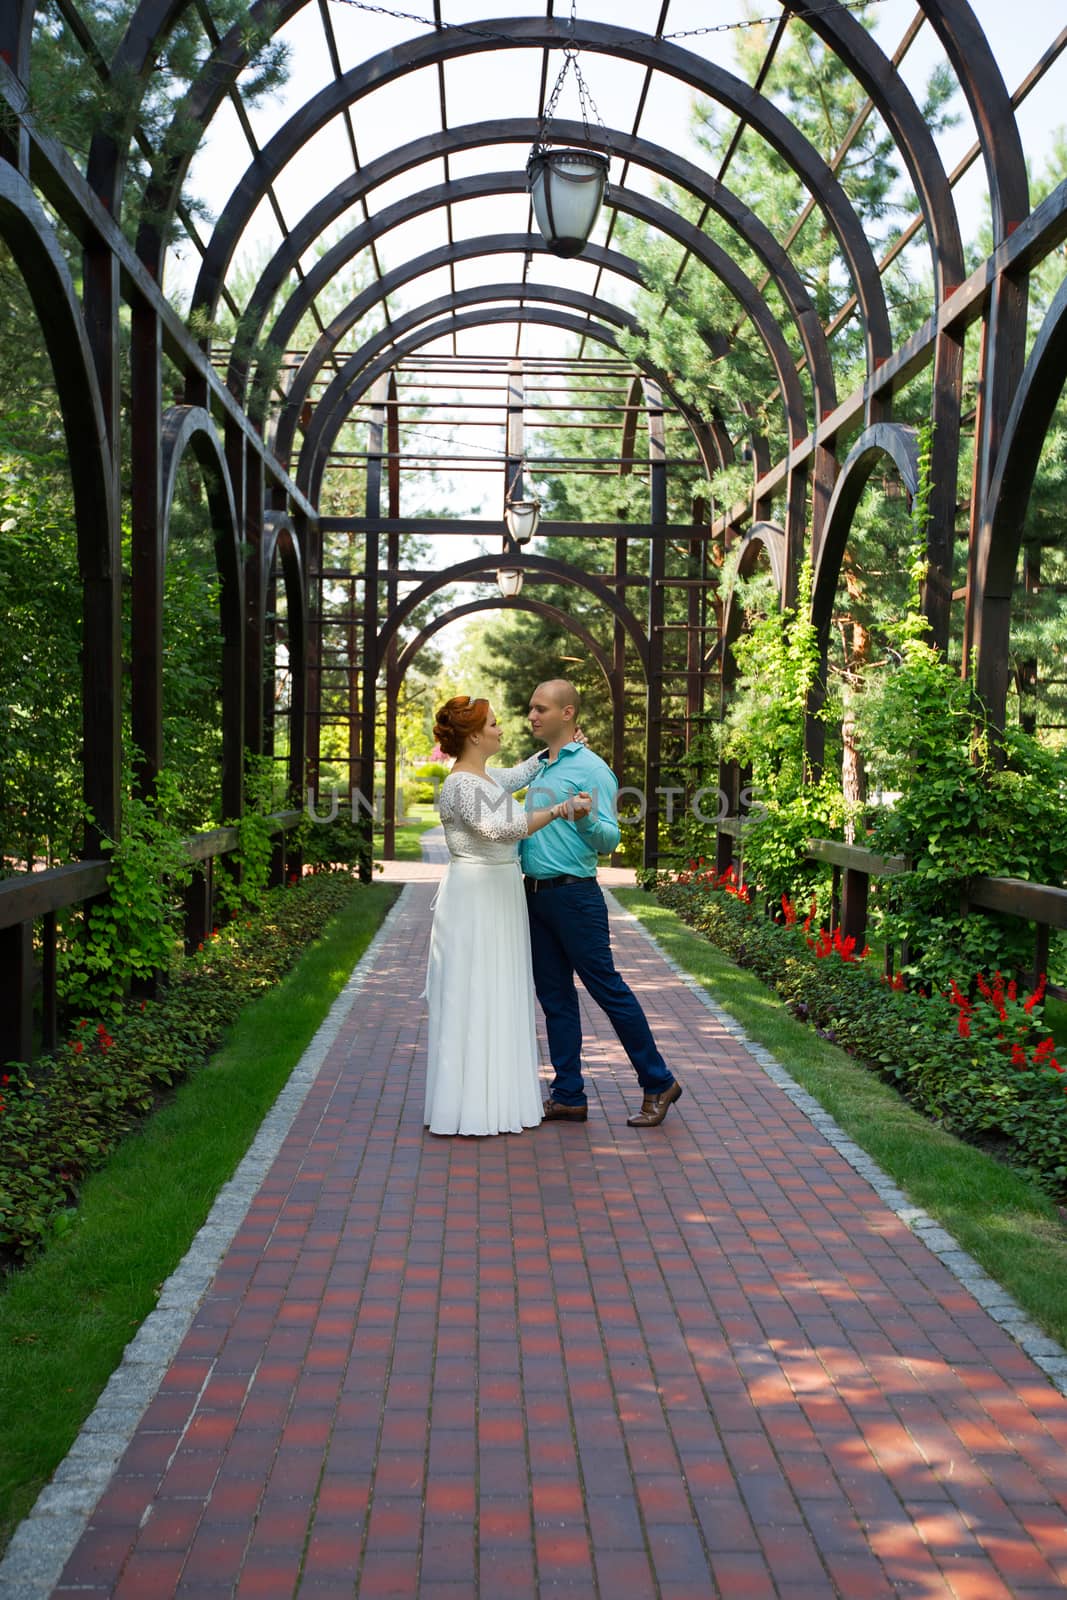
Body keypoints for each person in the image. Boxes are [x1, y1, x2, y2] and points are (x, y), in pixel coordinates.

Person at [424, 694, 592, 1137]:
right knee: (474, 993)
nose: (502, 729)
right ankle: (470, 1106)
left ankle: (496, 1098)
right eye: (495, 724)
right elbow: (503, 828)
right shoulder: (461, 784)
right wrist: (559, 810)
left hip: (500, 893)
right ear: (476, 735)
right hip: (476, 897)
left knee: (500, 991)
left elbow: (518, 774)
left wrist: (554, 750)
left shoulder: (483, 776)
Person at [521, 679, 683, 1128]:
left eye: (541, 708)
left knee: (607, 990)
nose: (531, 716)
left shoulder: (592, 769)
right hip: (535, 897)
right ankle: (568, 1094)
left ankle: (658, 1082)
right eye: (530, 708)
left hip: (575, 896)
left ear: (567, 713)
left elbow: (610, 840)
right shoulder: (541, 767)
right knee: (554, 997)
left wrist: (587, 816)